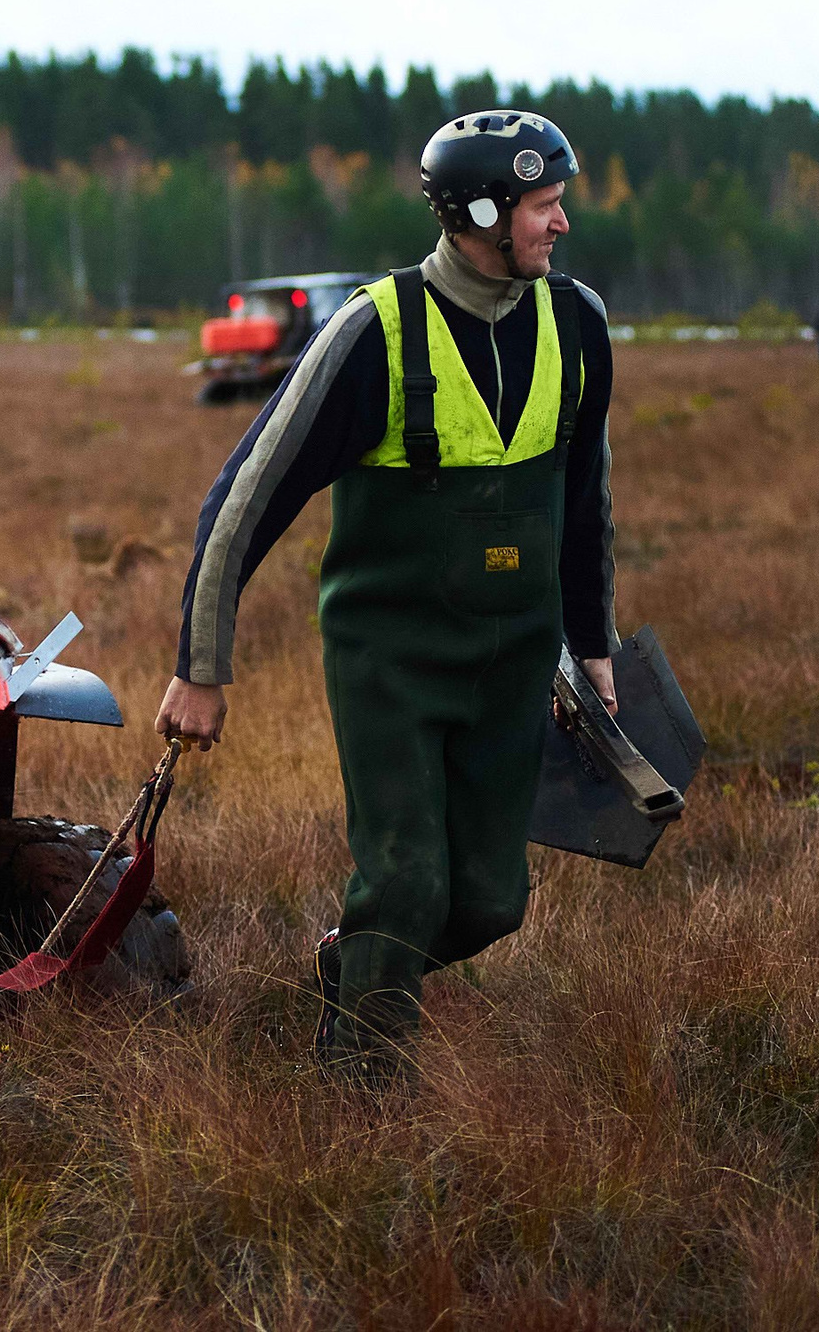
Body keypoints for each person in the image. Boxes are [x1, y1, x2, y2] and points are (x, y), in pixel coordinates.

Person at [153, 110, 620, 1079]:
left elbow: (585, 505)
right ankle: (360, 1099)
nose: (560, 223)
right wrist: (201, 668)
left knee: (493, 900)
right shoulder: (372, 330)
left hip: (513, 663)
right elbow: (244, 499)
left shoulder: (578, 322)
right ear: (484, 212)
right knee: (405, 878)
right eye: (543, 205)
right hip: (391, 664)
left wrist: (595, 648)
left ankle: (356, 966)